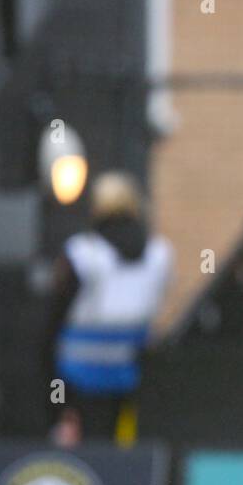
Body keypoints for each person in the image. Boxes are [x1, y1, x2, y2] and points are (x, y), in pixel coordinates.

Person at [45, 170, 172, 445]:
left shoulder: (82, 253)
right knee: (124, 451)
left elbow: (53, 318)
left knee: (88, 458)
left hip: (79, 378)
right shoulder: (159, 254)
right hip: (130, 375)